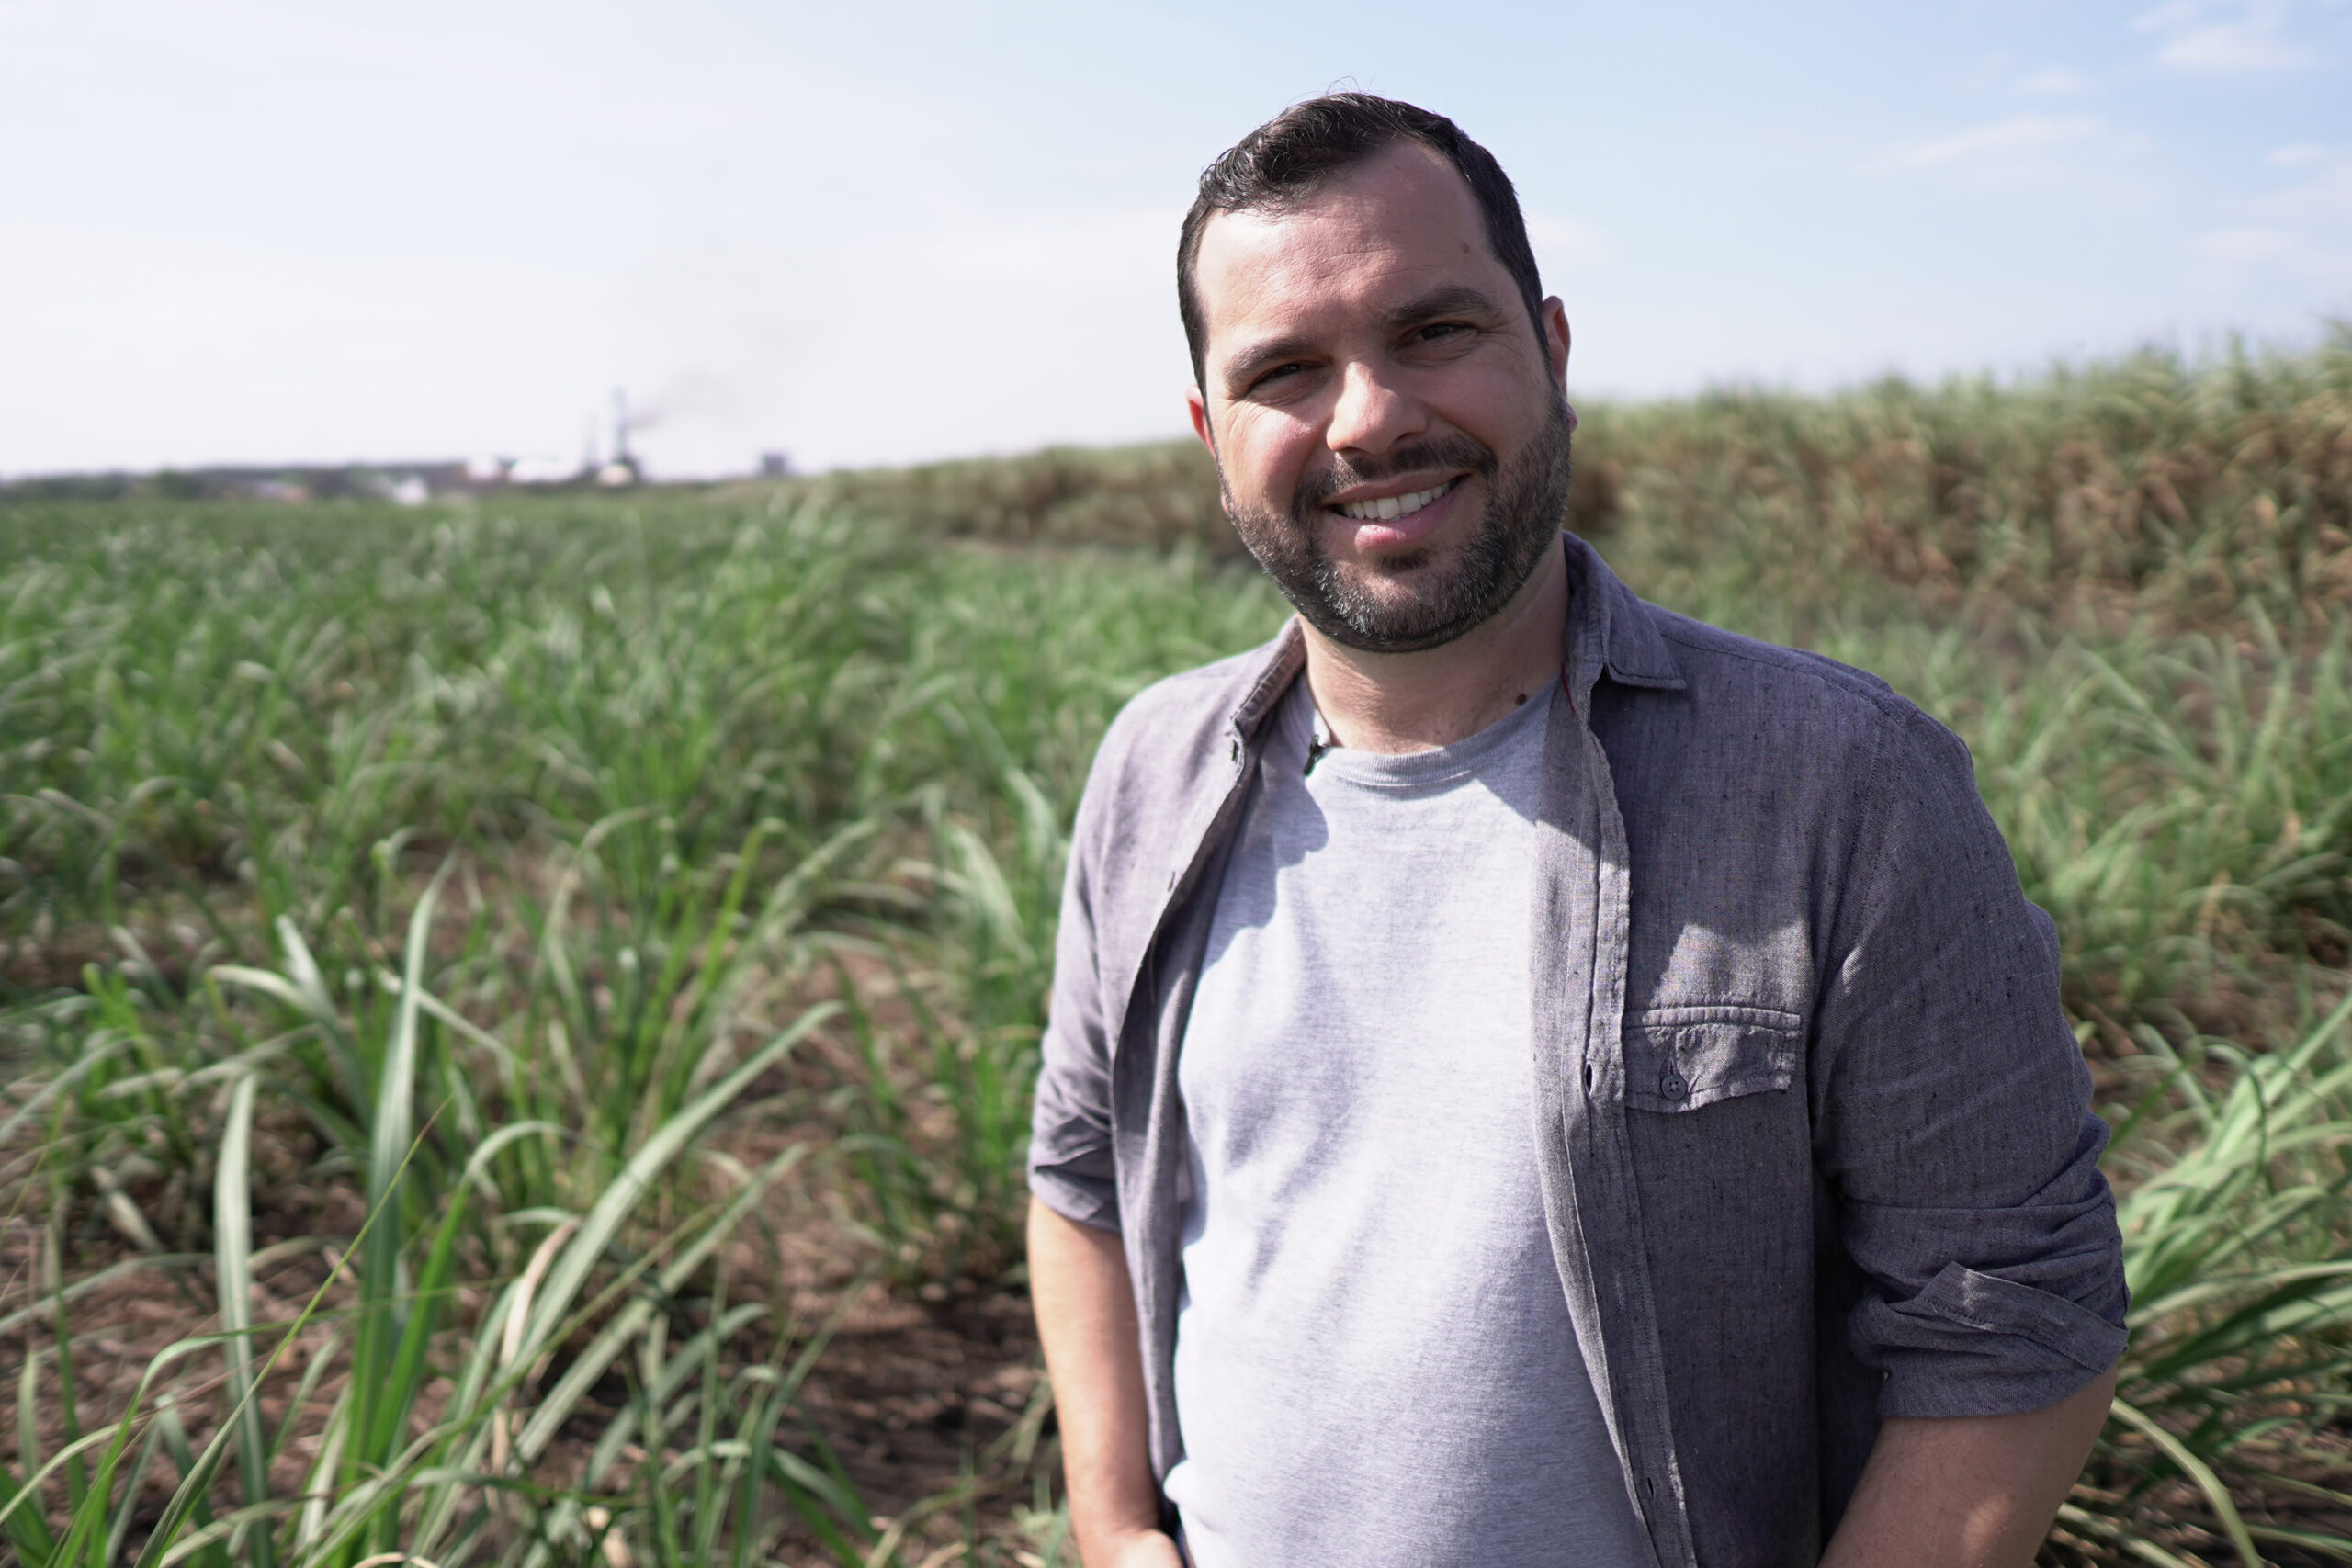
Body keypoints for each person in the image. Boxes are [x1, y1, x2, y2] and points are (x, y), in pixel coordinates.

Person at [1025, 93, 2126, 1568]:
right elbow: (1083, 1168)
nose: (1367, 420)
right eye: (1286, 370)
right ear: (1211, 433)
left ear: (1548, 352)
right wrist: (1109, 1527)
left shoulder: (1842, 786)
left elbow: (2012, 1307)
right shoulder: (1152, 769)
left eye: (1434, 332)